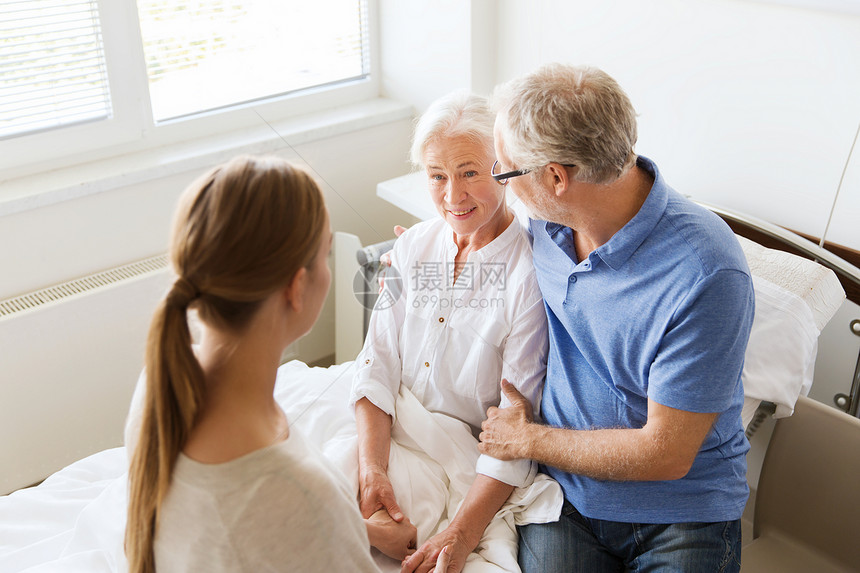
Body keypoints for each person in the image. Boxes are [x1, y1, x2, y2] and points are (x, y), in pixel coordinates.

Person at [478, 64, 755, 573]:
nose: (501, 182)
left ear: (556, 177)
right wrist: (412, 265)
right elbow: (472, 242)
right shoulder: (544, 226)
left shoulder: (705, 271)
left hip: (682, 511)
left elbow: (666, 454)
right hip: (565, 500)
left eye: (505, 170)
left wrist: (527, 439)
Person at [123, 155, 414, 573]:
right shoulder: (298, 491)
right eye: (324, 254)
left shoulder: (160, 385)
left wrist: (356, 530)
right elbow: (277, 517)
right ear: (296, 287)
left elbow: (252, 535)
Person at [350, 90, 549, 573]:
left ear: (503, 167)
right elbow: (375, 363)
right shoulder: (415, 246)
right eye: (437, 176)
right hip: (381, 433)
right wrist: (372, 468)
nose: (452, 196)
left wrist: (462, 531)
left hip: (457, 459)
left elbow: (514, 427)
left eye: (470, 173)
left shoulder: (529, 277)